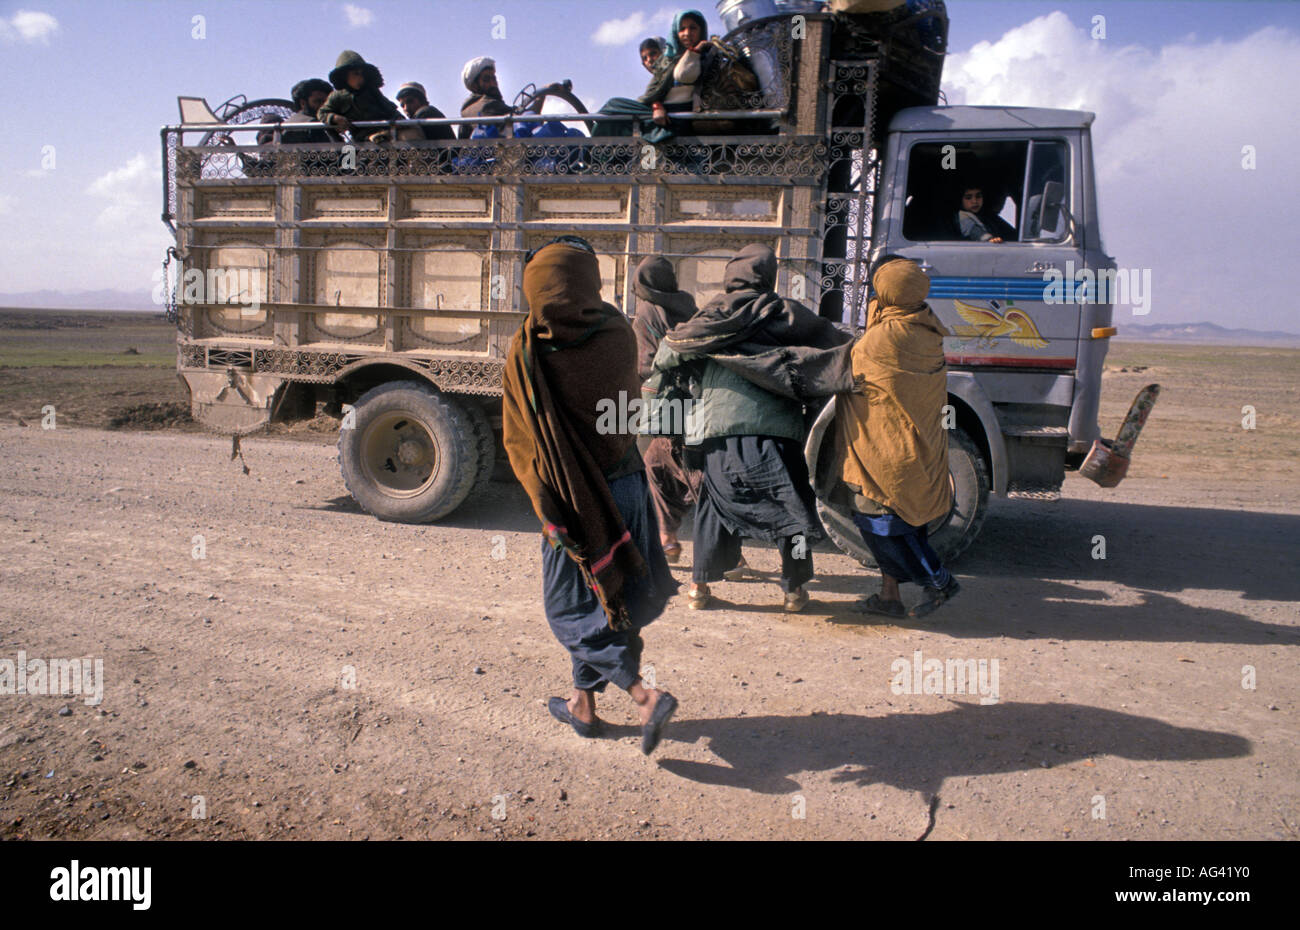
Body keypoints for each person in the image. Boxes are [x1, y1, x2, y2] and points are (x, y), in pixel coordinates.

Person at [502, 236, 680, 754]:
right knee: (609, 596)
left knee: (568, 609)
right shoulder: (617, 333)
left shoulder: (531, 348)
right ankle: (584, 706)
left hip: (575, 497)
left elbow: (524, 439)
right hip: (626, 487)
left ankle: (643, 695)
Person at [650, 244, 853, 612]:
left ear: (731, 276)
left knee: (714, 505)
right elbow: (841, 349)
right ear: (769, 276)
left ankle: (699, 588)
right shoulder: (786, 313)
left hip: (713, 430)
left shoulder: (712, 313)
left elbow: (667, 353)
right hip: (777, 433)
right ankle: (794, 591)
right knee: (792, 509)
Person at [837, 256, 962, 619]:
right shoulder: (929, 331)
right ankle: (889, 596)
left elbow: (852, 375)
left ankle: (938, 580)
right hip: (923, 447)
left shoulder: (881, 338)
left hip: (887, 451)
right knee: (908, 523)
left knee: (881, 522)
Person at [631, 257, 699, 563]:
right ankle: (667, 537)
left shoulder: (645, 313)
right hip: (696, 399)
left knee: (661, 465)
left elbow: (645, 363)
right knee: (676, 463)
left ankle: (670, 538)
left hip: (663, 404)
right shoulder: (688, 305)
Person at [597, 9, 719, 144]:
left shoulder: (704, 57)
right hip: (663, 112)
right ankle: (598, 155)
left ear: (701, 30)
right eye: (682, 29)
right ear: (675, 32)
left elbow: (683, 75)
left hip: (680, 115)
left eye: (693, 28)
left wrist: (696, 50)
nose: (687, 33)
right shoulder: (669, 59)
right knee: (612, 109)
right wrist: (656, 105)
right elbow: (655, 92)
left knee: (614, 106)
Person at [317, 50, 403, 142]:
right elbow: (322, 113)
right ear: (345, 76)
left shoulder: (372, 92)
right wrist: (334, 118)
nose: (360, 77)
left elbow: (390, 109)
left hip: (384, 132)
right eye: (356, 74)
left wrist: (399, 119)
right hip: (361, 139)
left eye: (362, 74)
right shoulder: (337, 96)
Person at [257, 79, 333, 145]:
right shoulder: (312, 125)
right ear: (303, 103)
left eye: (326, 102)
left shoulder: (289, 123)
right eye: (318, 101)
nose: (323, 106)